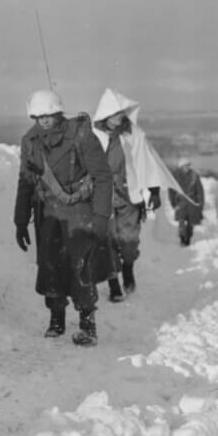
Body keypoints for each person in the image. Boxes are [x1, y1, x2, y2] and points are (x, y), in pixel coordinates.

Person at [14, 90, 114, 344]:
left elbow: (102, 176)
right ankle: (56, 318)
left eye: (48, 115)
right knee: (49, 266)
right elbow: (25, 181)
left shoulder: (80, 134)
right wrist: (20, 219)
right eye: (38, 116)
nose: (43, 121)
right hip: (47, 213)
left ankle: (87, 323)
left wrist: (101, 215)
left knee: (81, 266)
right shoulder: (30, 141)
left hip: (78, 210)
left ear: (58, 112)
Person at [91, 88, 182, 300]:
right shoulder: (93, 137)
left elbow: (148, 163)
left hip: (128, 196)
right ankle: (114, 284)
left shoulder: (133, 135)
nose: (118, 118)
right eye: (114, 114)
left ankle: (129, 266)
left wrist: (153, 191)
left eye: (121, 113)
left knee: (129, 240)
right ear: (105, 114)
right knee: (107, 241)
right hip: (101, 197)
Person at [169, 157, 205, 246]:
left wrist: (200, 204)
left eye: (188, 165)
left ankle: (188, 238)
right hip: (180, 202)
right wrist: (173, 204)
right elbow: (171, 191)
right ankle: (182, 238)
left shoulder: (194, 176)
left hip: (192, 203)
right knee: (182, 222)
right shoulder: (175, 177)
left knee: (190, 223)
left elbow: (200, 191)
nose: (187, 167)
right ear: (181, 167)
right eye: (185, 166)